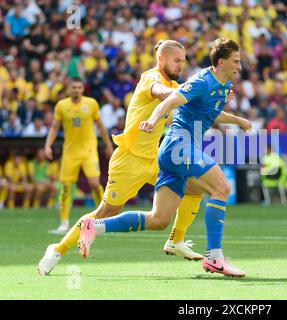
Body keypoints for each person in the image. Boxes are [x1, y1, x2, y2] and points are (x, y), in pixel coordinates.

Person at [78, 37, 251, 278]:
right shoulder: (202, 81)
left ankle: (94, 226)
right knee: (221, 188)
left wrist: (239, 121)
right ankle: (214, 258)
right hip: (179, 145)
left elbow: (210, 113)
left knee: (159, 219)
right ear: (221, 62)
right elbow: (171, 100)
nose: (239, 66)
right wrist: (153, 119)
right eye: (236, 61)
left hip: (175, 153)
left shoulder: (222, 86)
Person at [38, 40, 203, 276]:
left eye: (183, 61)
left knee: (195, 186)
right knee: (106, 212)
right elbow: (162, 93)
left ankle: (176, 240)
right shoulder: (151, 78)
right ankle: (57, 248)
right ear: (162, 59)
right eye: (176, 60)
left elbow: (185, 104)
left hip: (154, 158)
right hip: (129, 159)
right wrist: (191, 92)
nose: (181, 65)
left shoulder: (174, 84)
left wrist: (212, 99)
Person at [44, 77, 114, 233]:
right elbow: (55, 127)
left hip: (89, 150)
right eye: (73, 87)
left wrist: (108, 145)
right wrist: (48, 145)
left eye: (79, 87)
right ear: (69, 89)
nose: (76, 90)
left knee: (95, 183)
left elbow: (100, 126)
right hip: (70, 152)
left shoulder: (91, 104)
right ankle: (63, 223)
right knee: (66, 187)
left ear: (83, 89)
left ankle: (101, 219)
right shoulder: (62, 106)